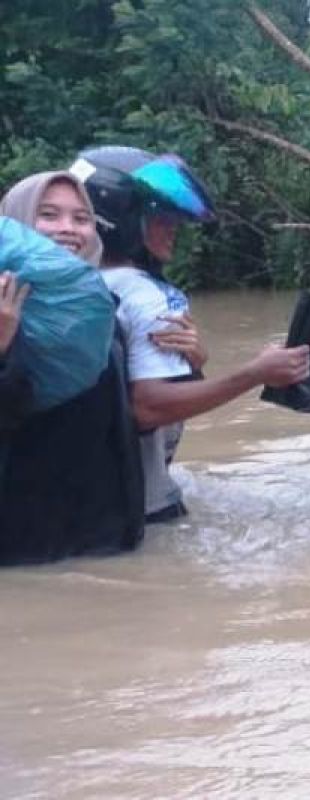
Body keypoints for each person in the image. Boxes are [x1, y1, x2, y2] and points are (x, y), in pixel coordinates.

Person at [72, 146, 310, 523]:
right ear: (119, 217)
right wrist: (256, 373)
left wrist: (194, 365)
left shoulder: (60, 288)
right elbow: (147, 407)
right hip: (139, 504)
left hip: (72, 498)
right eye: (159, 215)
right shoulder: (148, 295)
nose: (174, 227)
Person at [0, 171, 144, 564]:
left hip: (104, 534)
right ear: (16, 220)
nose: (68, 229)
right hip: (26, 548)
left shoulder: (99, 310)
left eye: (81, 219)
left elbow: (132, 414)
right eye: (49, 215)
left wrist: (193, 364)